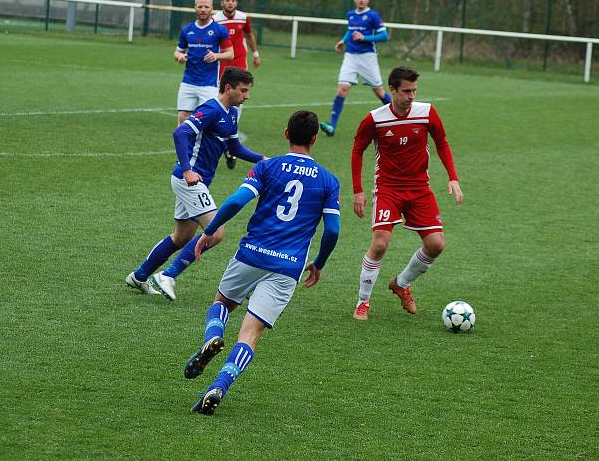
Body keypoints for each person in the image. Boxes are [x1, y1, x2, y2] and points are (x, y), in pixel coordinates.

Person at [184, 110, 340, 415]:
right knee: (250, 334)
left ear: (285, 134)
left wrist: (211, 230)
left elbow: (236, 201)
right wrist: (318, 263)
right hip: (288, 266)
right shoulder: (328, 180)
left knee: (223, 302)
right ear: (314, 138)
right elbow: (332, 230)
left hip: (252, 253)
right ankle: (218, 386)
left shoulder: (267, 166)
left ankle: (213, 336)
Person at [125, 67, 266, 300]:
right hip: (188, 179)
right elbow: (181, 134)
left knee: (181, 237)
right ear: (228, 87)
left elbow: (234, 148)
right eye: (243, 91)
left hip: (198, 182)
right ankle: (168, 275)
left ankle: (139, 276)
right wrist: (188, 170)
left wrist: (262, 160)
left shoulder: (230, 114)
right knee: (217, 232)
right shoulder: (210, 109)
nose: (246, 96)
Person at [350, 66, 462, 321]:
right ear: (392, 90)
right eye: (406, 91)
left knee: (436, 244)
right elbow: (357, 150)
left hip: (420, 189)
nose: (411, 96)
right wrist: (358, 190)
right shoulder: (375, 119)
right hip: (388, 188)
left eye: (414, 91)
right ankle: (362, 302)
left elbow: (442, 142)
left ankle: (401, 283)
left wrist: (453, 177)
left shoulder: (427, 112)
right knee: (379, 244)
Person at [319, 0, 392, 138]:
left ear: (368, 0)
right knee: (342, 90)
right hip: (350, 56)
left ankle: (401, 118)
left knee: (378, 91)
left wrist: (365, 38)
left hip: (367, 57)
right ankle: (332, 126)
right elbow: (350, 31)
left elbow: (384, 36)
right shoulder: (351, 15)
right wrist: (342, 41)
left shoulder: (373, 16)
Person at [213, 0, 261, 170]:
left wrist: (255, 54)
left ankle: (230, 144)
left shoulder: (243, 17)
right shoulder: (216, 19)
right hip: (223, 67)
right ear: (222, 2)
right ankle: (226, 145)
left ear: (236, 2)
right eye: (227, 0)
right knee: (221, 103)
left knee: (238, 105)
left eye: (233, 0)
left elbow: (249, 35)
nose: (231, 3)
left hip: (240, 66)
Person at [174, 0, 234, 127]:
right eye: (200, 6)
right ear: (195, 8)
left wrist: (216, 56)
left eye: (206, 6)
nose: (203, 9)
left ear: (212, 8)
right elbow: (178, 51)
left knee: (208, 120)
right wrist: (180, 56)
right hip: (188, 82)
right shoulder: (187, 30)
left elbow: (230, 54)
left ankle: (204, 147)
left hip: (209, 84)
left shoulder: (219, 30)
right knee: (183, 116)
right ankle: (184, 147)